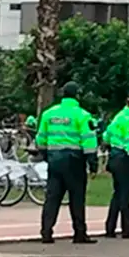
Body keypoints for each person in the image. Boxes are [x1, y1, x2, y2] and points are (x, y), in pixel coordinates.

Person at [34, 81, 98, 244]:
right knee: (77, 197)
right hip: (74, 160)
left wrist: (45, 153)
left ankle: (46, 232)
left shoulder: (49, 114)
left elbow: (41, 137)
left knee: (52, 197)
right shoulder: (82, 115)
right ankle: (79, 233)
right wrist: (92, 162)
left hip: (54, 159)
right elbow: (88, 139)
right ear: (76, 96)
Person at [104, 94, 129, 239]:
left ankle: (110, 228)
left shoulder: (119, 117)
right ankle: (127, 229)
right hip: (126, 160)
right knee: (126, 195)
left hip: (115, 157)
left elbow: (106, 136)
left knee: (117, 194)